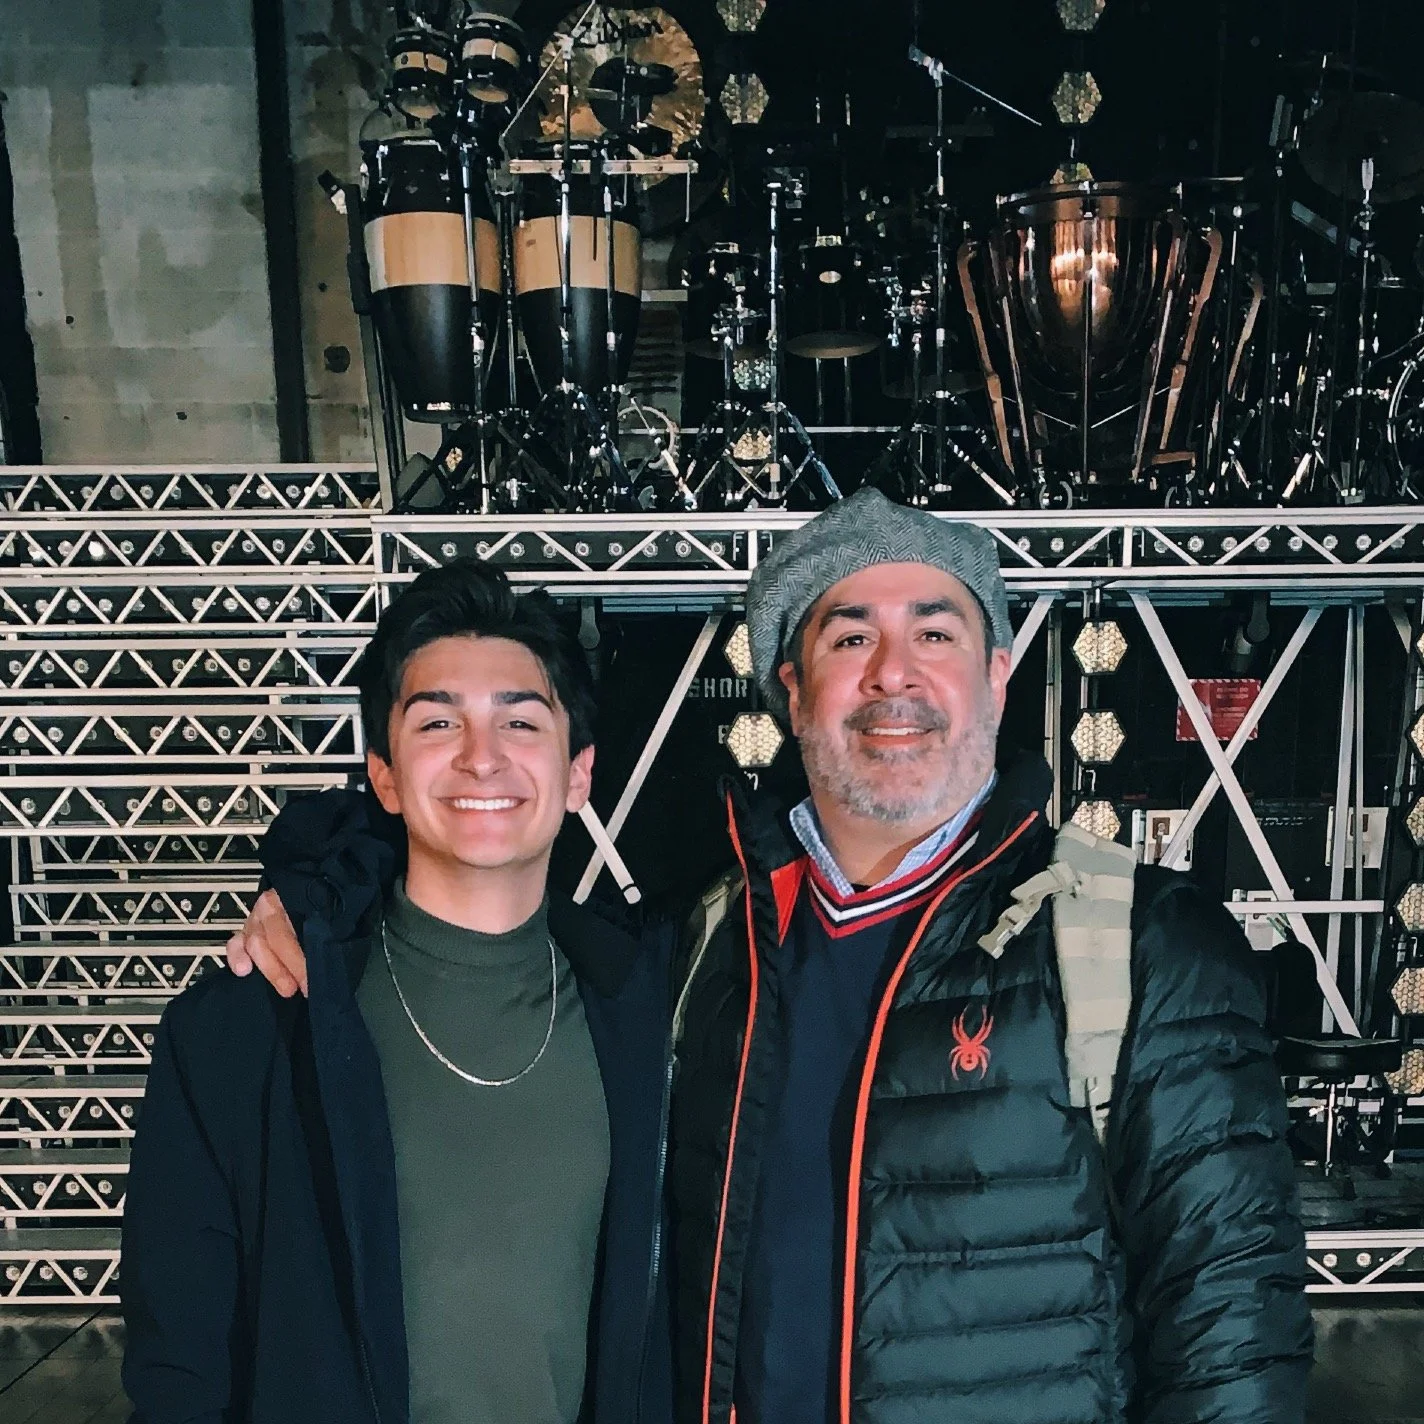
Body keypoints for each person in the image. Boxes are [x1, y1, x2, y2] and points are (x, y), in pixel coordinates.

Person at [227, 489, 1313, 1423]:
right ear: (790, 690)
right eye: (847, 637)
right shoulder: (701, 944)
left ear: (995, 671)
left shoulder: (1137, 942)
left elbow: (1228, 1336)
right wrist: (327, 888)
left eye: (933, 633)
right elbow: (466, 856)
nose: (893, 673)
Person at [123, 560, 674, 1424]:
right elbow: (178, 1361)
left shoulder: (653, 1014)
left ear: (578, 775)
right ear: (383, 775)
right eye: (437, 721)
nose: (481, 757)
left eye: (520, 721)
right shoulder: (248, 1026)